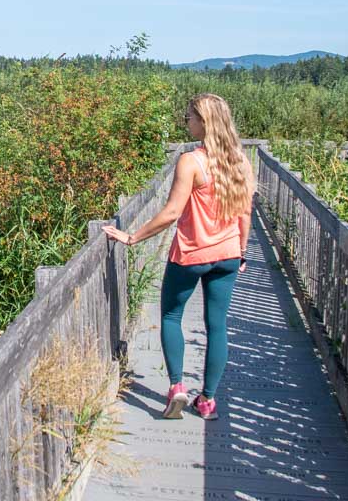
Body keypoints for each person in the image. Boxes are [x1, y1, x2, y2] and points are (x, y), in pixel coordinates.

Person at [103, 93, 254, 421]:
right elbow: (245, 215)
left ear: (204, 121)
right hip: (228, 254)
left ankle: (176, 388)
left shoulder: (191, 161)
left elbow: (171, 212)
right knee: (217, 326)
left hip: (192, 253)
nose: (185, 122)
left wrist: (132, 237)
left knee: (171, 316)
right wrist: (241, 252)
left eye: (188, 117)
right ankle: (208, 401)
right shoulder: (241, 161)